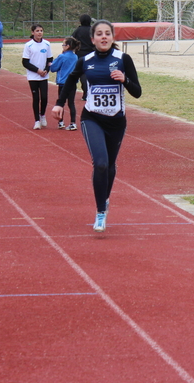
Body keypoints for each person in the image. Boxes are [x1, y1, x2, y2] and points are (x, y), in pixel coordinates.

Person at [52, 20, 142, 232]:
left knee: (110, 166)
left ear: (112, 38)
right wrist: (58, 105)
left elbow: (137, 92)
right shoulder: (85, 61)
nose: (103, 37)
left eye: (107, 34)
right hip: (92, 118)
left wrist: (124, 80)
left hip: (117, 121)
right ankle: (100, 211)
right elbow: (69, 82)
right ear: (92, 39)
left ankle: (105, 198)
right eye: (99, 34)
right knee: (100, 163)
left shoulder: (123, 59)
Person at [21, 24, 53, 130]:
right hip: (33, 76)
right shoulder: (28, 45)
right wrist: (37, 70)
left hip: (43, 76)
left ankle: (42, 115)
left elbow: (50, 60)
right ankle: (37, 120)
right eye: (37, 31)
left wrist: (45, 70)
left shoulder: (47, 44)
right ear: (33, 32)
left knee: (44, 97)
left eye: (41, 30)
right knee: (36, 98)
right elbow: (25, 62)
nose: (39, 33)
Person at [50, 37, 79, 130]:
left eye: (63, 45)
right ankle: (73, 122)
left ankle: (61, 121)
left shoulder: (62, 56)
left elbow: (53, 68)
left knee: (61, 102)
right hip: (73, 83)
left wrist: (51, 64)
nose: (62, 46)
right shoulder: (75, 57)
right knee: (71, 103)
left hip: (63, 83)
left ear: (67, 46)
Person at [72, 14, 94, 100]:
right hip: (92, 54)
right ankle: (92, 92)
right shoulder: (92, 30)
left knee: (83, 74)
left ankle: (86, 93)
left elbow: (72, 40)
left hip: (80, 54)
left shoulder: (78, 30)